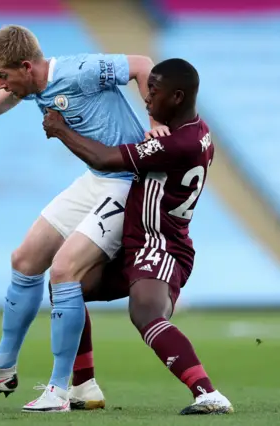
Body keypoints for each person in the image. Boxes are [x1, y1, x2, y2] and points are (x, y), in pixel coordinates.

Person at [0, 25, 169, 412]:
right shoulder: (32, 85)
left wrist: (155, 121)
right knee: (24, 260)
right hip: (96, 179)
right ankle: (3, 368)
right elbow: (5, 100)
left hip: (127, 183)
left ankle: (60, 391)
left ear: (26, 66)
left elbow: (143, 65)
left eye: (3, 76)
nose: (2, 85)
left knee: (63, 272)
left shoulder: (80, 71)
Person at [42, 58, 234, 415]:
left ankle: (208, 394)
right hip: (136, 242)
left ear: (177, 97)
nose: (145, 98)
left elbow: (104, 158)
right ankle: (84, 387)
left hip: (160, 244)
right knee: (66, 287)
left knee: (146, 313)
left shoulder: (178, 144)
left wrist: (61, 128)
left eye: (154, 92)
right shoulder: (197, 130)